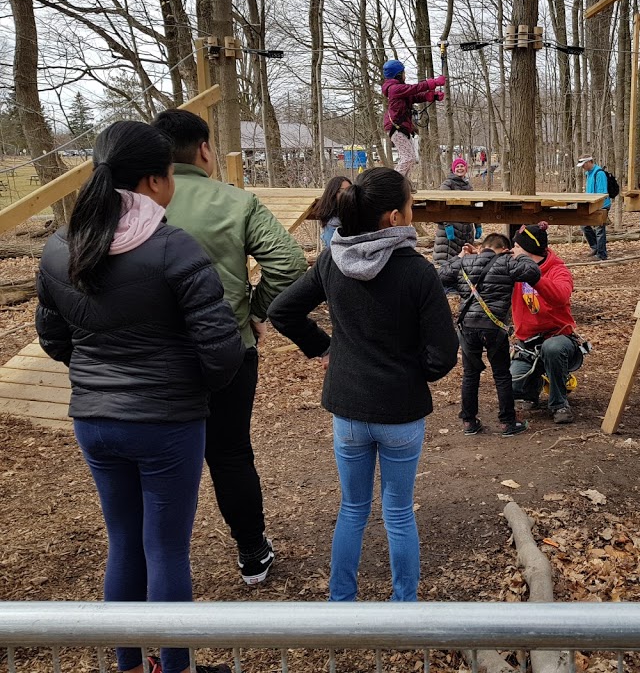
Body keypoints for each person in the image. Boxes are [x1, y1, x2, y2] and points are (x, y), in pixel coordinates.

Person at [35, 121, 245, 673]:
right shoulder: (174, 247)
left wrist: (99, 375)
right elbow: (222, 351)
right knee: (167, 549)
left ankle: (129, 665)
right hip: (167, 423)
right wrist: (186, 388)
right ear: (155, 180)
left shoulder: (60, 247)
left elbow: (53, 338)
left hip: (93, 420)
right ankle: (175, 667)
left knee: (124, 541)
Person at [268, 167, 459, 602]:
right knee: (398, 513)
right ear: (394, 217)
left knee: (352, 509)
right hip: (401, 412)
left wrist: (325, 349)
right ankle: (404, 607)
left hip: (348, 410)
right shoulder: (418, 272)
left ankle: (341, 604)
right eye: (411, 205)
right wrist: (414, 374)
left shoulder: (331, 260)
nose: (413, 212)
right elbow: (444, 354)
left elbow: (282, 311)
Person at [152, 109, 308, 586]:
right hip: (228, 350)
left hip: (152, 357)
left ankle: (157, 559)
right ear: (204, 150)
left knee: (156, 458)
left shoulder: (133, 205)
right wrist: (255, 311)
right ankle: (252, 551)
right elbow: (288, 262)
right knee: (230, 453)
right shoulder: (237, 202)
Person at [439, 232, 541, 437]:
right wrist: (519, 255)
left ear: (482, 247)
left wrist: (461, 255)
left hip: (467, 327)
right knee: (502, 374)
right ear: (505, 249)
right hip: (494, 327)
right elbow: (533, 272)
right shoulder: (507, 262)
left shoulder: (465, 262)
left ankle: (469, 421)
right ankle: (507, 422)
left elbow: (441, 274)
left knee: (470, 374)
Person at [508, 222, 584, 425]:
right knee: (513, 389)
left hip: (558, 339)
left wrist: (535, 279)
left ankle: (559, 403)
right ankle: (535, 385)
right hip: (527, 345)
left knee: (552, 349)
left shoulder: (558, 270)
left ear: (528, 250)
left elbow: (561, 296)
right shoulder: (513, 268)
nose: (512, 250)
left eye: (517, 246)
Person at [382, 59, 446, 178]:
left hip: (401, 127)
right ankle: (393, 182)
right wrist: (433, 83)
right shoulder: (394, 89)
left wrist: (431, 96)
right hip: (396, 127)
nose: (405, 75)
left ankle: (403, 182)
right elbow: (415, 88)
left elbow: (414, 96)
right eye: (403, 73)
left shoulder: (399, 89)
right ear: (398, 75)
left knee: (410, 158)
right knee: (408, 158)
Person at [432, 157, 480, 264]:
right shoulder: (447, 184)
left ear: (466, 169)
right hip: (450, 230)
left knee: (464, 263)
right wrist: (447, 225)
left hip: (466, 231)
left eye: (462, 166)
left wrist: (478, 224)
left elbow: (474, 207)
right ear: (453, 169)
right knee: (446, 262)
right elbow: (442, 206)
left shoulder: (468, 186)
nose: (460, 168)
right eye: (457, 166)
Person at [577, 154, 611, 260]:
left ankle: (602, 254)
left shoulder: (599, 173)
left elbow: (602, 193)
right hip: (591, 204)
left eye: (584, 165)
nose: (583, 167)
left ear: (589, 162)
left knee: (599, 229)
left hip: (601, 204)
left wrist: (598, 206)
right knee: (584, 225)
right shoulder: (588, 174)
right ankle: (595, 247)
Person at [312, 175, 354, 247]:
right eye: (340, 191)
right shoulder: (332, 224)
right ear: (332, 194)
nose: (346, 193)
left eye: (349, 190)